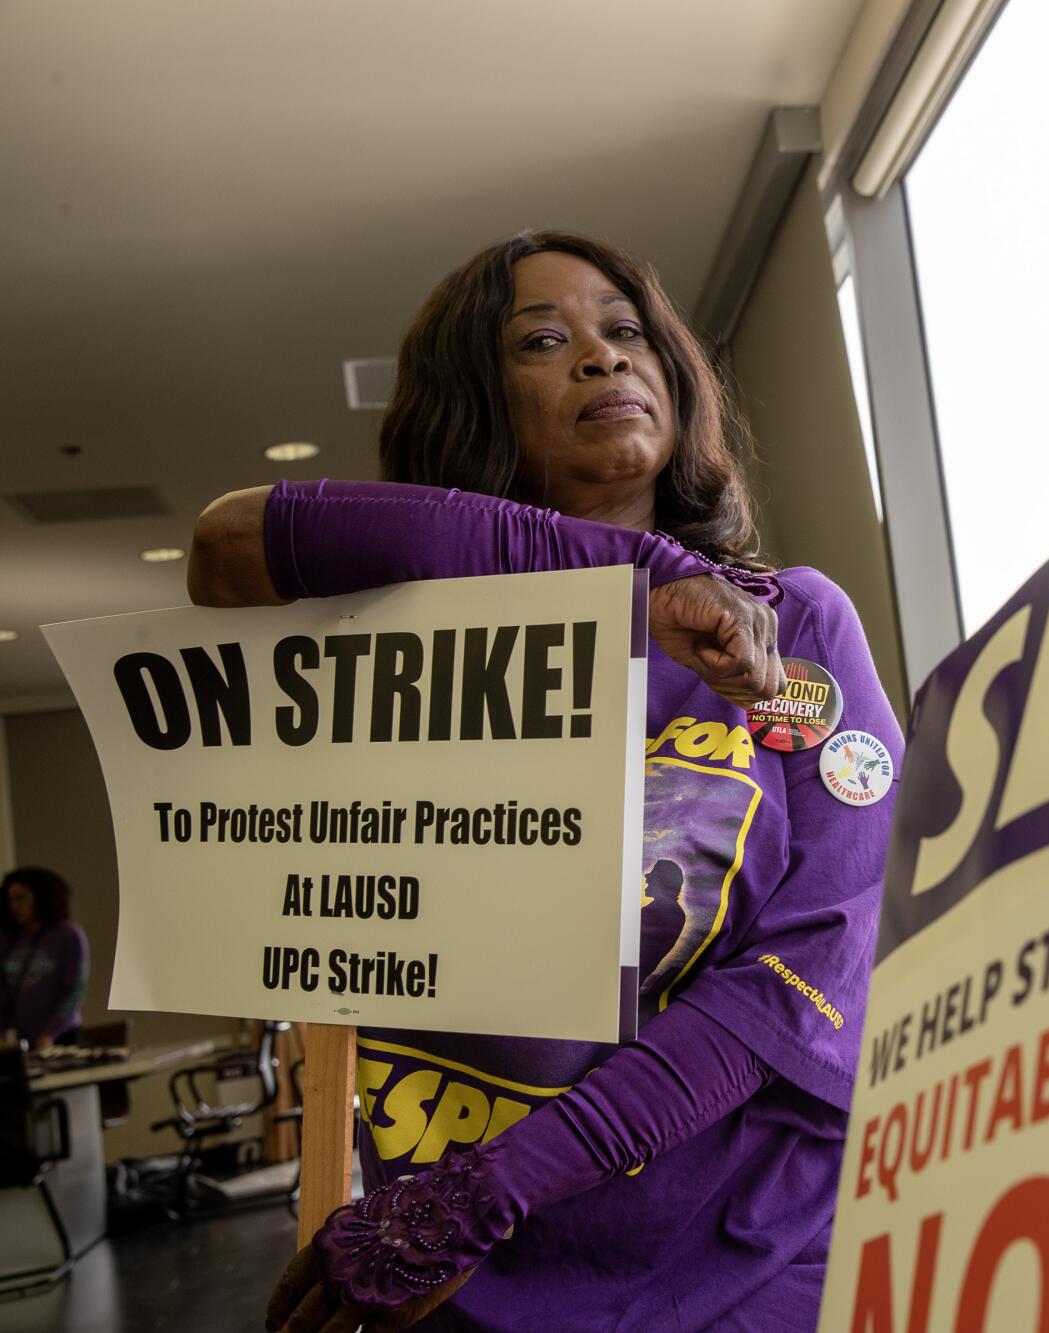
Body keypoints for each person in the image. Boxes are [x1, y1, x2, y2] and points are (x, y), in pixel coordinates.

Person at [188, 231, 900, 1332]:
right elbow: (223, 546)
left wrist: (490, 1188)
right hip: (463, 1278)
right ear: (476, 398)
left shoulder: (793, 630)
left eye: (626, 334)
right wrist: (637, 578)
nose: (603, 361)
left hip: (749, 1250)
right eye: (541, 340)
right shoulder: (394, 648)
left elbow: (802, 984)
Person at [1, 866, 90, 1053]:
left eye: (21, 898)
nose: (14, 906)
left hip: (61, 1038)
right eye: (10, 900)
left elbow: (74, 992)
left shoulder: (68, 934)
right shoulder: (9, 939)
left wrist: (49, 1034)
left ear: (40, 897)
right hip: (22, 1039)